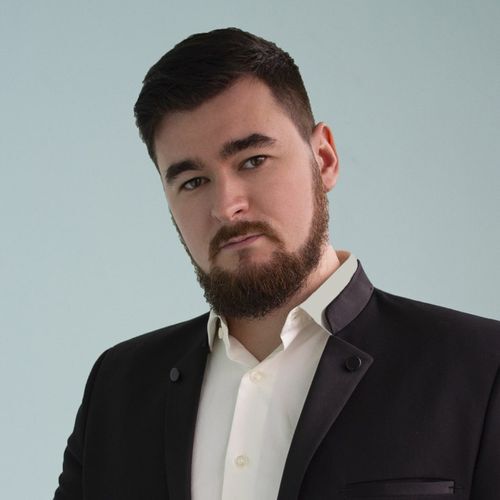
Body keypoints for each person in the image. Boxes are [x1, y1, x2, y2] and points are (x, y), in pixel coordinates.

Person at [54, 28, 500, 500]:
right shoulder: (117, 389)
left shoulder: (481, 369)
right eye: (193, 181)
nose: (226, 206)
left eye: (253, 160)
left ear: (324, 159)